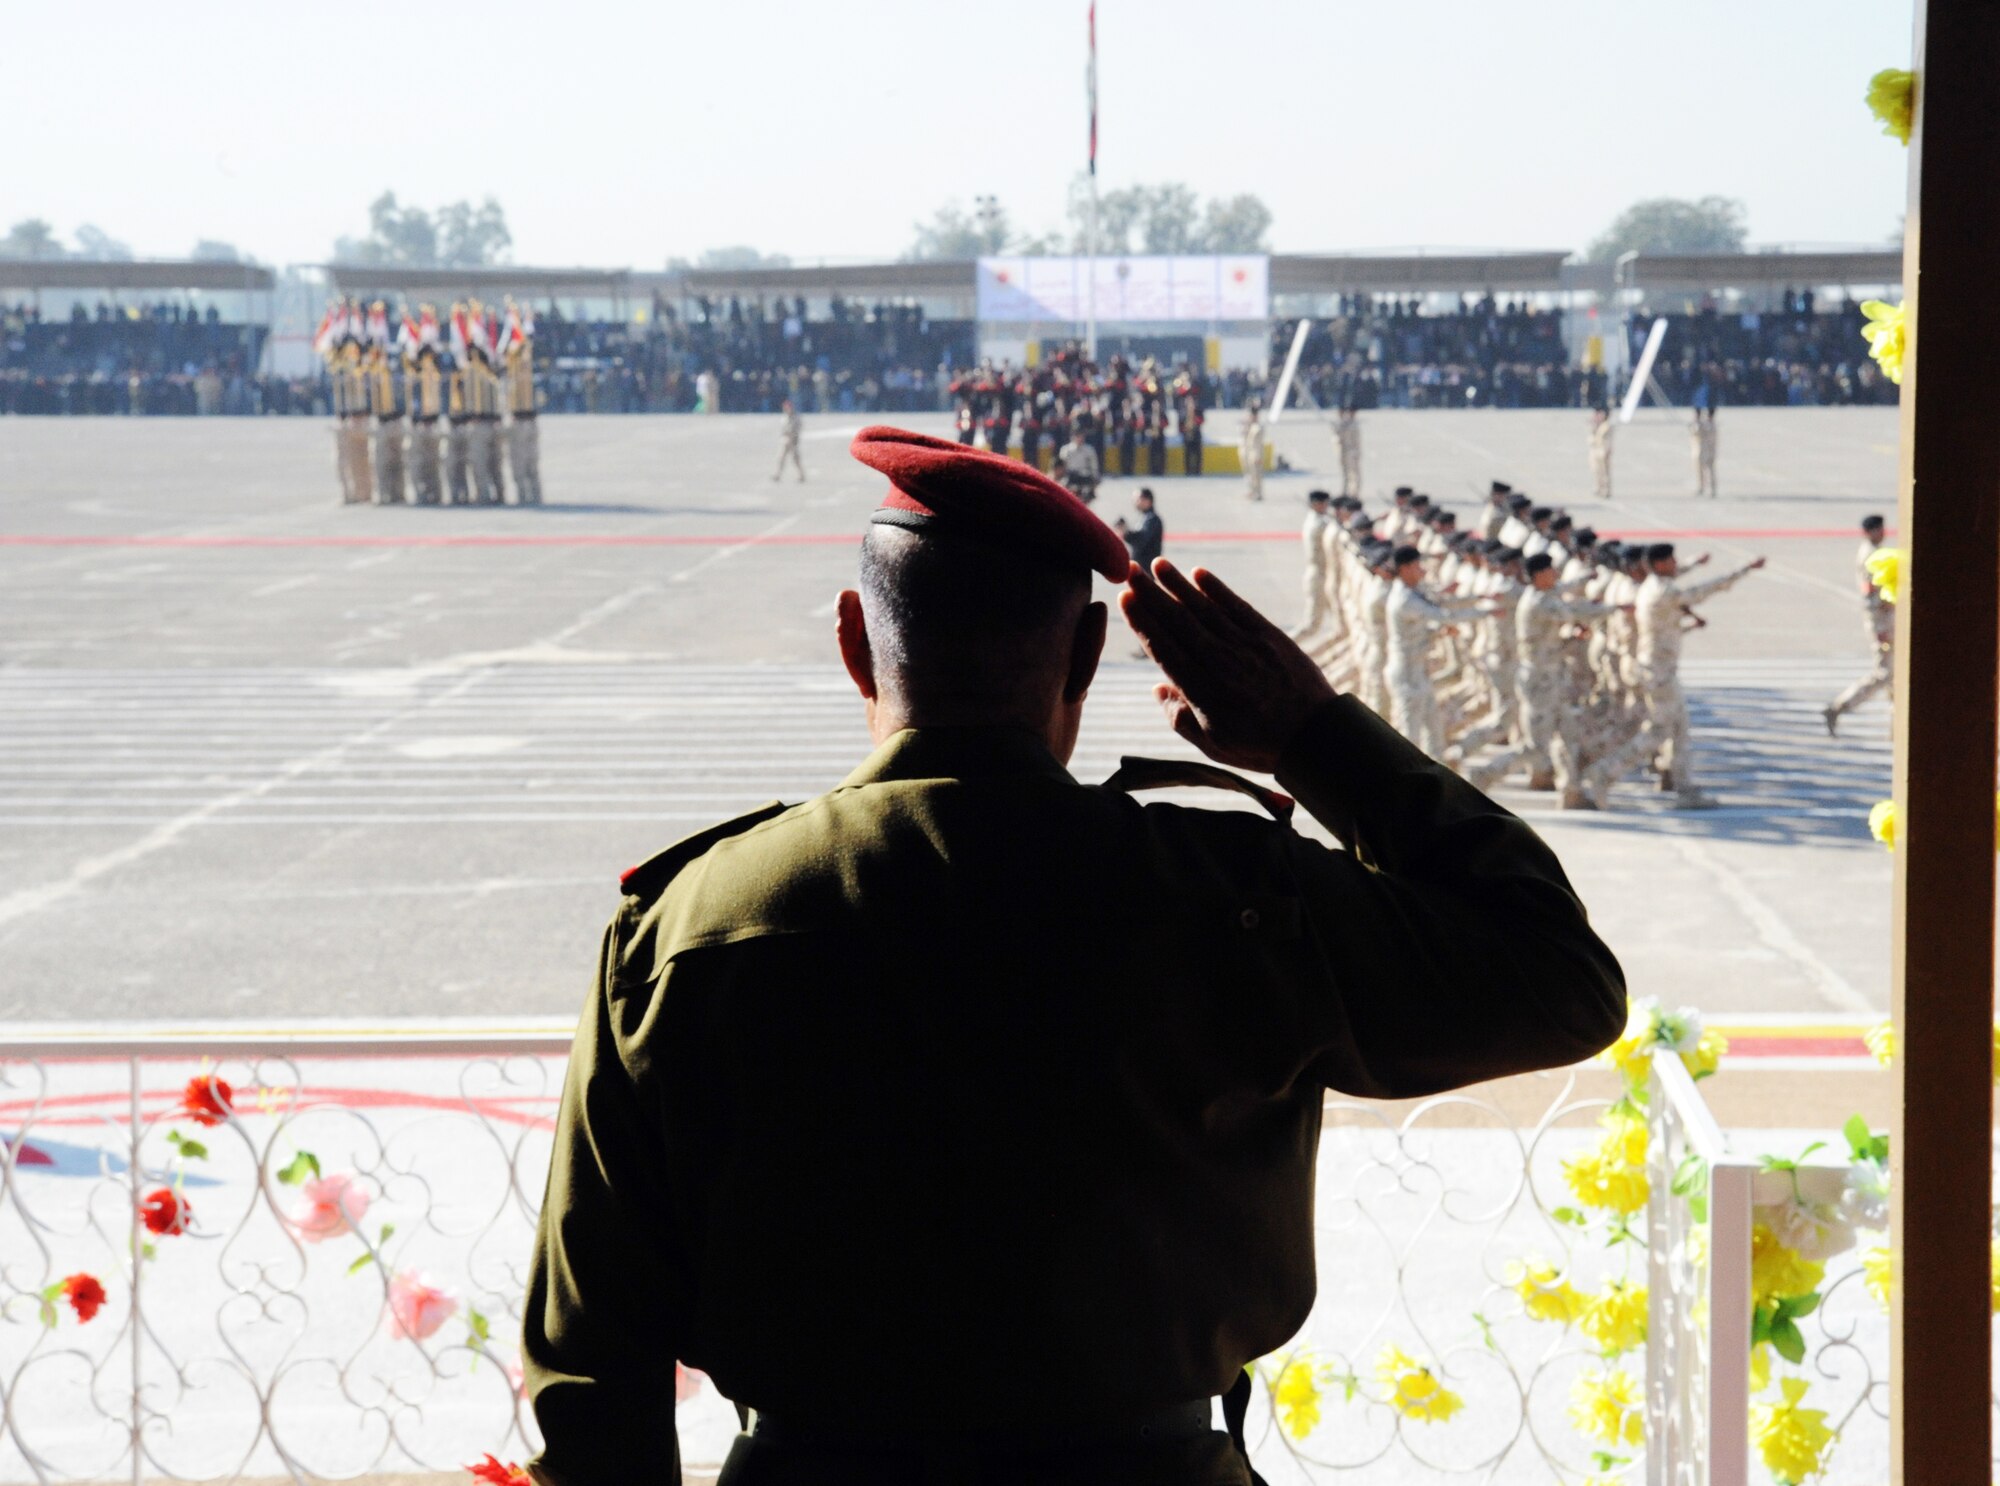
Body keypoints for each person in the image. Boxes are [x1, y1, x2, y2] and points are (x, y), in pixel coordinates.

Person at [522, 425, 1626, 1486]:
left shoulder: (687, 927)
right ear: (1089, 652)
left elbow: (589, 1364)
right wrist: (1316, 738)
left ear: (855, 639)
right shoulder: (1230, 893)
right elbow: (1558, 981)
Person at [1586, 542, 1765, 809]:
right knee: (1658, 733)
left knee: (1680, 729)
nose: (1675, 564)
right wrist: (1743, 570)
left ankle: (1684, 788)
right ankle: (1605, 773)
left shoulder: (1650, 586)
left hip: (1659, 669)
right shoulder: (1662, 590)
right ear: (1659, 564)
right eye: (1671, 560)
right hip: (1658, 672)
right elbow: (1702, 591)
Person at [1823, 514, 1894, 735]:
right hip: (1880, 620)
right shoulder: (1870, 556)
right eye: (1878, 529)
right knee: (1885, 673)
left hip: (1884, 618)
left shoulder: (1874, 552)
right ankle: (1841, 705)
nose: (1882, 532)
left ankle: (1896, 726)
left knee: (1894, 675)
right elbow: (1871, 593)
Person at [1288, 490, 1335, 642]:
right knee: (1312, 625)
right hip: (1319, 577)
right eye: (1324, 503)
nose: (1326, 507)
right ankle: (1281, 647)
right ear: (1316, 505)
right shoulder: (1320, 524)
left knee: (1341, 622)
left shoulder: (1315, 519)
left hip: (1320, 574)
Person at [1115, 486, 1165, 570]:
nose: (1135, 502)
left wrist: (1126, 532)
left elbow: (1141, 540)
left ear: (1147, 500)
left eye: (1137, 499)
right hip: (1141, 568)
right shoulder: (1144, 518)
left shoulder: (1152, 519)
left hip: (1146, 569)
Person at [1056, 422, 1100, 504]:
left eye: (1082, 436)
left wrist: (1095, 478)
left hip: (1084, 476)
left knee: (1087, 494)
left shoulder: (1089, 450)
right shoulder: (1066, 450)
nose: (1080, 438)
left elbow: (1094, 466)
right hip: (1070, 476)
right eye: (1077, 436)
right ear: (1073, 437)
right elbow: (1061, 467)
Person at [772, 398, 806, 483]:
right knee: (781, 458)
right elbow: (782, 429)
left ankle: (801, 475)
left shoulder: (796, 417)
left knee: (796, 459)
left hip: (793, 441)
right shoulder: (784, 417)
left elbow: (798, 428)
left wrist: (794, 436)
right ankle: (777, 475)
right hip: (785, 441)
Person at [1239, 397, 1265, 503]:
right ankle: (1251, 490)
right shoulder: (1249, 425)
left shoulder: (1258, 427)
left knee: (1256, 475)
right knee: (1249, 474)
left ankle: (1258, 492)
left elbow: (1259, 444)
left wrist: (1258, 456)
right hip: (1247, 452)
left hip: (1255, 453)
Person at [1691, 407, 1719, 498]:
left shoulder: (1707, 425)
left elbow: (1696, 432)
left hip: (1703, 451)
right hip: (1707, 451)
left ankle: (1708, 488)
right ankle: (1705, 488)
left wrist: (1696, 423)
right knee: (1705, 471)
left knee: (1707, 470)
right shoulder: (1710, 425)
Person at [1335, 405, 1362, 498]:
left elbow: (1356, 440)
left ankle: (1355, 491)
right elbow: (1337, 439)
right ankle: (1345, 491)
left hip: (1352, 452)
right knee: (1345, 472)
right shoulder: (1342, 424)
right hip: (1343, 452)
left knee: (1354, 473)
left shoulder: (1353, 424)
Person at [1588, 406, 1613, 500]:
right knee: (1596, 471)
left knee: (1605, 472)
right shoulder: (1596, 425)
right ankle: (1598, 488)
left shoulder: (1607, 425)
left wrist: (1607, 450)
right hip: (1595, 450)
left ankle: (1606, 490)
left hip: (1603, 450)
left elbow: (1608, 439)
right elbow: (1591, 438)